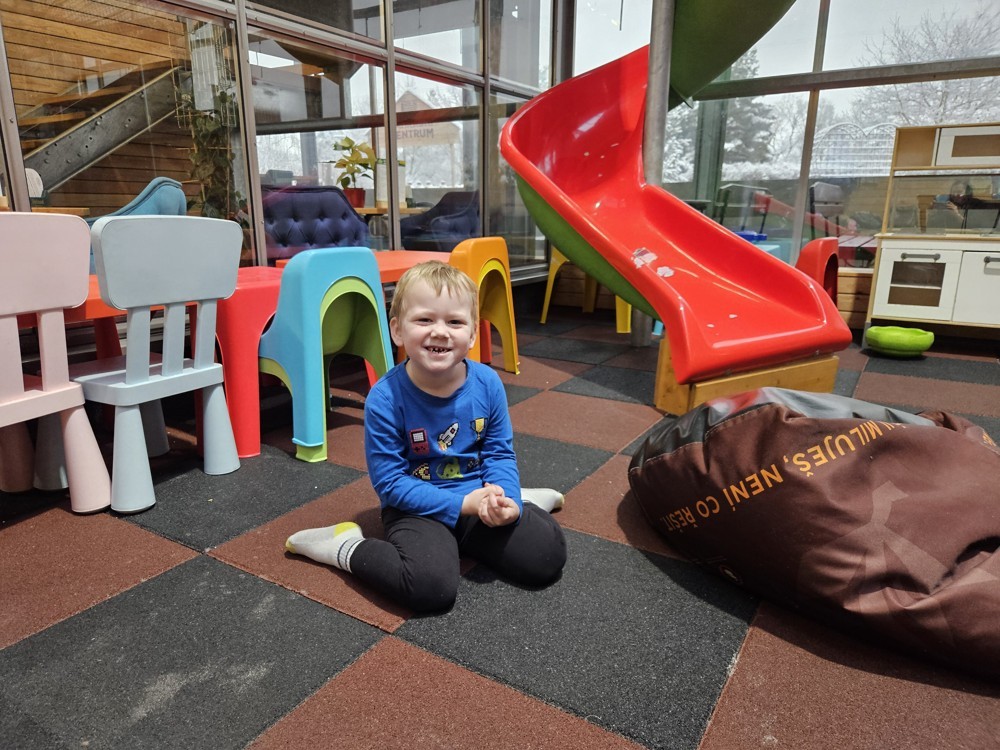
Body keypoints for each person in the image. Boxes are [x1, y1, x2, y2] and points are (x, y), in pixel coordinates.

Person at [285, 260, 568, 612]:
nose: (440, 332)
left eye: (455, 322)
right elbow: (390, 484)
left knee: (546, 556)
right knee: (430, 589)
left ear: (472, 334)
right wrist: (460, 506)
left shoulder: (488, 383)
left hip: (476, 495)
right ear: (397, 330)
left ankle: (519, 499)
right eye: (424, 320)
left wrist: (505, 499)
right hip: (414, 507)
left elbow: (498, 453)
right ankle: (344, 545)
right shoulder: (385, 398)